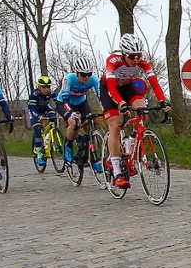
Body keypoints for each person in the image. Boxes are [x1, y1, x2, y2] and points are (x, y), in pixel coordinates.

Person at [101, 34, 172, 188]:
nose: (136, 60)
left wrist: (162, 101)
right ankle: (118, 172)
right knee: (114, 125)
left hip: (127, 86)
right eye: (132, 56)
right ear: (124, 54)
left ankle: (134, 140)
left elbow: (154, 83)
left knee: (142, 108)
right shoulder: (113, 61)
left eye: (138, 56)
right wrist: (121, 103)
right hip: (109, 88)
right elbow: (112, 88)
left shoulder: (144, 63)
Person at [57, 56, 102, 169]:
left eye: (89, 74)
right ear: (77, 73)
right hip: (64, 103)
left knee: (90, 127)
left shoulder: (94, 79)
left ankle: (94, 159)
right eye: (83, 75)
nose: (86, 77)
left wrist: (106, 108)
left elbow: (101, 95)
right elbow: (65, 99)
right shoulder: (69, 79)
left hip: (81, 103)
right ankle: (68, 146)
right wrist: (71, 112)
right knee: (74, 123)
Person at [26, 75, 59, 168]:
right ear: (39, 87)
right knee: (37, 128)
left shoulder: (51, 93)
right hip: (34, 110)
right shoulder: (34, 94)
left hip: (44, 108)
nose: (46, 89)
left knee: (53, 117)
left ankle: (52, 137)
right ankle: (39, 152)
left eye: (48, 86)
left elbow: (58, 103)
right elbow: (31, 108)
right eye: (44, 87)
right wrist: (39, 116)